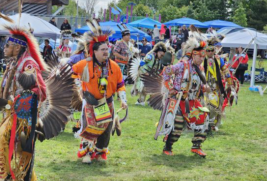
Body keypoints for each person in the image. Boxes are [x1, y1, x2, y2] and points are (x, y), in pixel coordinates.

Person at [0, 10, 76, 180]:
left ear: (17, 47)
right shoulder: (14, 63)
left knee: (3, 140)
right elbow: (9, 89)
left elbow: (38, 91)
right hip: (12, 112)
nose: (4, 48)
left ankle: (5, 176)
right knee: (21, 152)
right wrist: (3, 98)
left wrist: (17, 99)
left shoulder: (27, 64)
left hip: (23, 117)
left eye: (7, 45)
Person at [143, 25, 211, 157]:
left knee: (203, 118)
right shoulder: (183, 65)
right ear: (194, 54)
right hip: (179, 100)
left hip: (192, 101)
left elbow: (196, 85)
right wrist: (171, 88)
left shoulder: (200, 69)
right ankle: (167, 147)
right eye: (200, 56)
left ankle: (196, 146)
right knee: (177, 124)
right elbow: (166, 71)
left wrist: (204, 88)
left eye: (204, 56)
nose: (203, 59)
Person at [72, 19, 127, 163]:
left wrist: (123, 100)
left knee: (105, 129)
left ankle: (100, 152)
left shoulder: (113, 66)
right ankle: (87, 154)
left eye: (107, 49)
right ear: (94, 51)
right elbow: (72, 72)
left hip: (106, 102)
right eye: (102, 50)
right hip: (90, 101)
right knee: (89, 127)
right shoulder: (85, 64)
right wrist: (78, 86)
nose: (106, 52)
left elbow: (121, 84)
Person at [204, 36, 234, 132]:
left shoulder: (218, 59)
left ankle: (212, 123)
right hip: (203, 86)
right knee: (203, 104)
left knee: (214, 105)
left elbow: (225, 70)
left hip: (215, 87)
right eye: (208, 50)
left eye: (212, 50)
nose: (210, 52)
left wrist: (229, 82)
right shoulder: (201, 59)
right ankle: (203, 122)